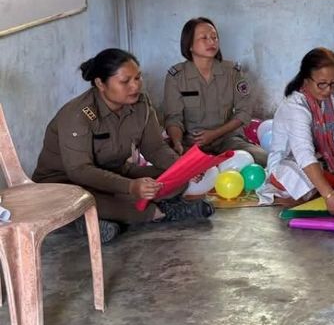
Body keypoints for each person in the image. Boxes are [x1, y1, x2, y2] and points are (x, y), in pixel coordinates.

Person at [33, 49, 215, 243]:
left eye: (138, 78)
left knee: (177, 180)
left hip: (115, 173)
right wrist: (130, 187)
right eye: (125, 81)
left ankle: (113, 218)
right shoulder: (78, 115)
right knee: (88, 202)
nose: (135, 86)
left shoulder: (140, 105)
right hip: (66, 186)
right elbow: (79, 171)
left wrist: (182, 167)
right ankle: (160, 212)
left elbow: (155, 148)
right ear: (100, 83)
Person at [263, 48, 334, 216]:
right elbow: (303, 154)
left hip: (322, 156)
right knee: (291, 176)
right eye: (321, 84)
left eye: (333, 83)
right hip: (291, 161)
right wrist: (330, 196)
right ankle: (333, 184)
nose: (328, 90)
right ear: (306, 79)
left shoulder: (333, 94)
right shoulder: (295, 105)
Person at [163, 17, 266, 165]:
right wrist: (178, 144)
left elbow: (244, 112)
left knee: (262, 158)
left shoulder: (232, 72)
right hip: (191, 143)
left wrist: (215, 134)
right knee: (181, 168)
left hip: (227, 139)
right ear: (189, 44)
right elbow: (173, 118)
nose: (211, 42)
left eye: (214, 37)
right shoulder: (176, 76)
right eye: (204, 38)